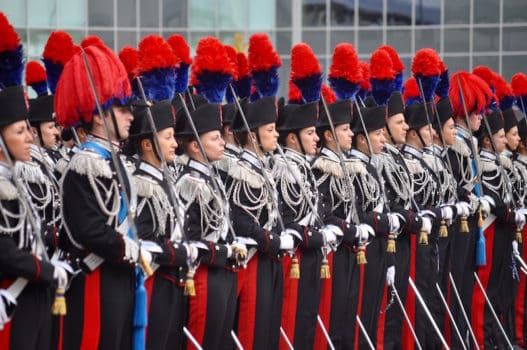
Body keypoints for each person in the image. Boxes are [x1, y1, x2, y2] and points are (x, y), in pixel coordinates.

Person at [55, 43, 149, 349]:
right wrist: (130, 248)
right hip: (96, 278)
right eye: (122, 109)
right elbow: (89, 229)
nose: (130, 117)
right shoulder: (84, 164)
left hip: (120, 276)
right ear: (98, 117)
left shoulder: (113, 161)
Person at [0, 85, 68, 350]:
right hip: (11, 296)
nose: (30, 137)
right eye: (20, 131)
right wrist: (48, 270)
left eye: (29, 129)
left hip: (35, 294)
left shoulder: (16, 182)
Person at [174, 102, 244, 350]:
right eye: (215, 138)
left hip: (222, 271)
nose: (223, 142)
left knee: (222, 339)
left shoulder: (211, 177)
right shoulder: (189, 182)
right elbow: (188, 237)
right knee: (203, 340)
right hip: (204, 271)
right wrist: (224, 252)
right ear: (195, 146)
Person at [128, 100, 190, 350]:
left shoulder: (165, 180)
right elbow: (139, 239)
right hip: (153, 279)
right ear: (147, 144)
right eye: (168, 137)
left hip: (172, 278)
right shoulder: (140, 184)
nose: (175, 143)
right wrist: (174, 252)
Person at [274, 100, 335, 349]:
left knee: (308, 319)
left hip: (311, 251)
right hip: (294, 254)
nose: (316, 139)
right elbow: (286, 219)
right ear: (291, 139)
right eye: (309, 133)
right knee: (292, 322)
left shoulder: (302, 167)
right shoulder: (284, 168)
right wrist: (313, 236)